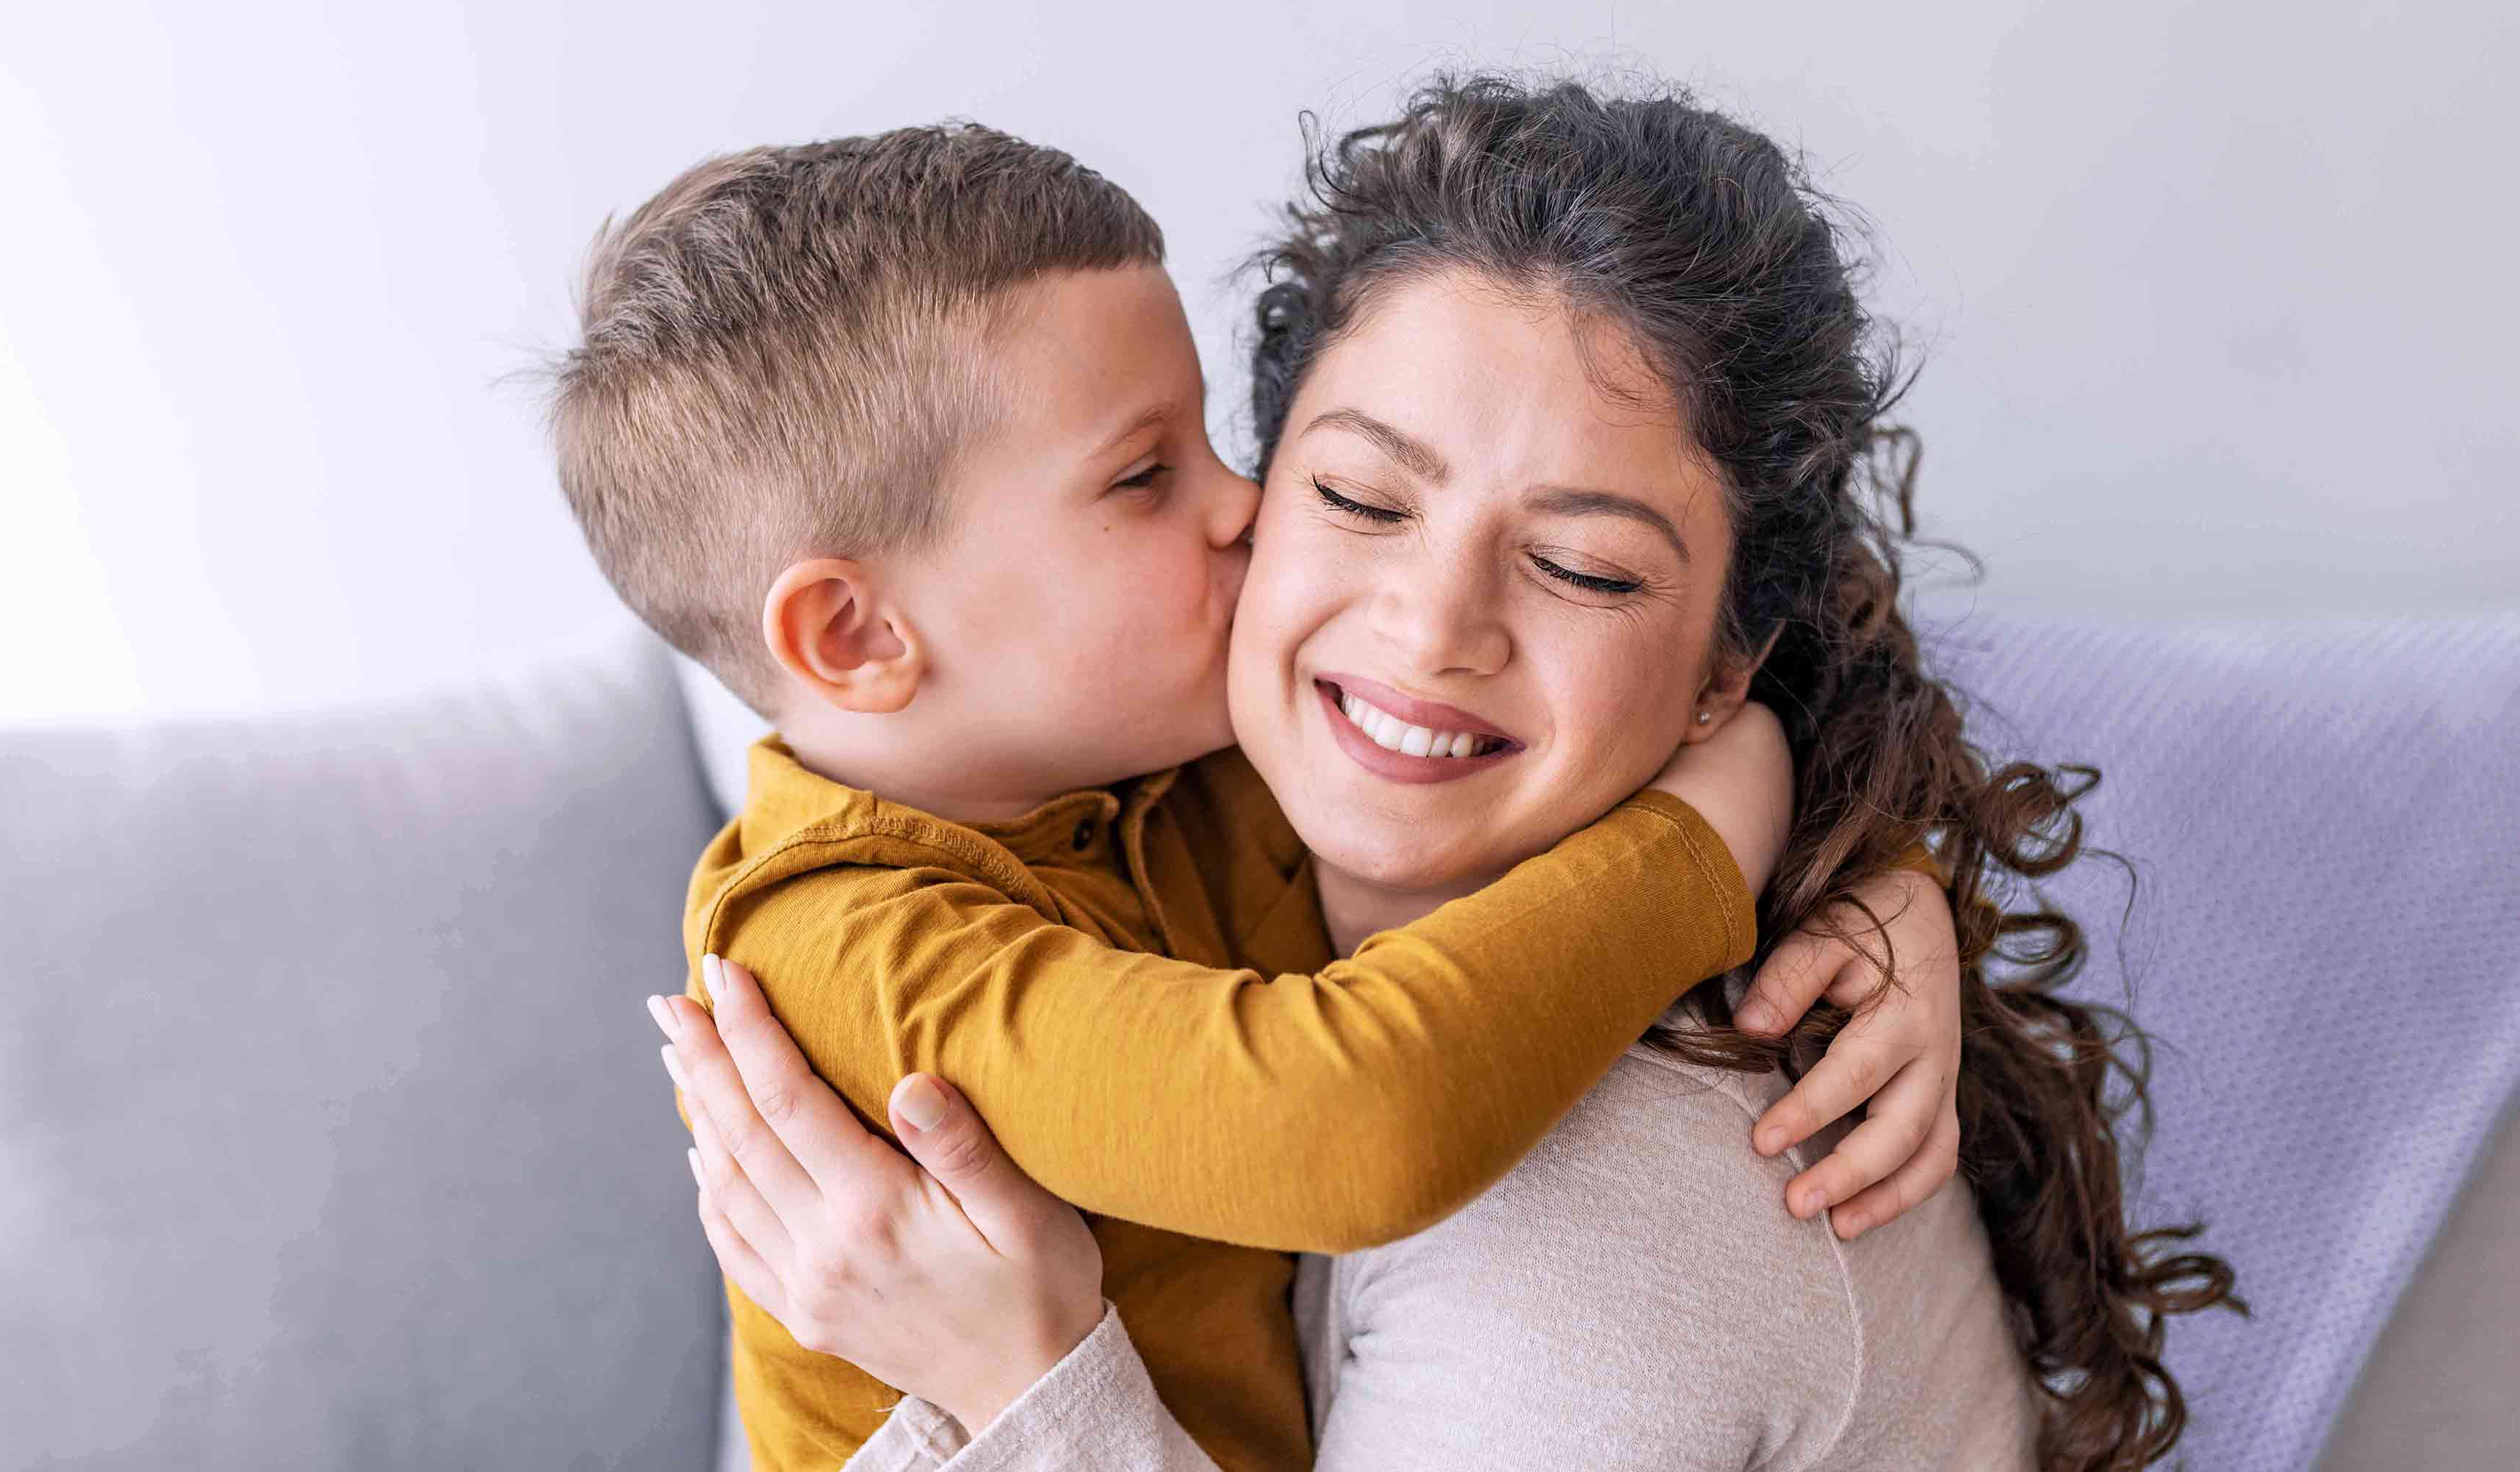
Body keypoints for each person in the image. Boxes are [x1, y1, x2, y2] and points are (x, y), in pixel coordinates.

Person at [661, 75, 2243, 1472]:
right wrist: (1774, 808)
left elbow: (1366, 1114)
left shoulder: (1611, 1205)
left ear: (1723, 668)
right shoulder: (1081, 811)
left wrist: (1014, 1381)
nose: (1428, 631)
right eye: (1354, 494)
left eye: (1584, 567)